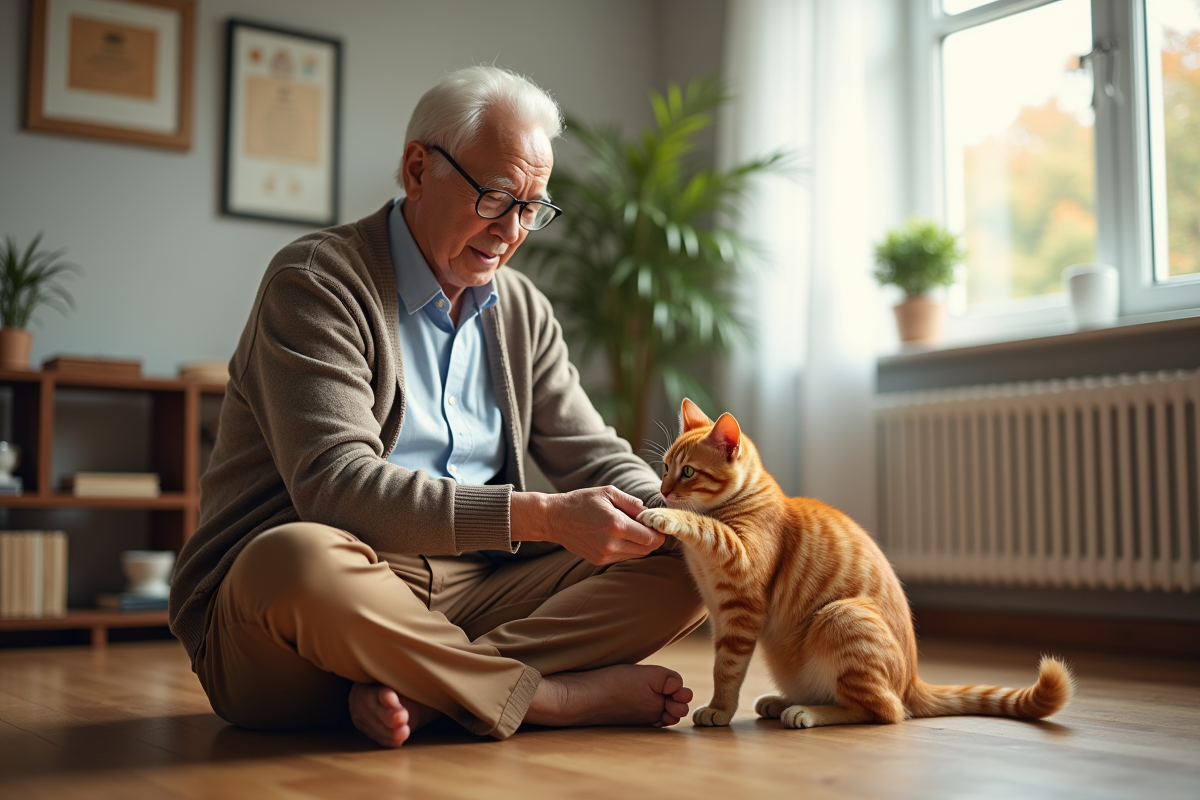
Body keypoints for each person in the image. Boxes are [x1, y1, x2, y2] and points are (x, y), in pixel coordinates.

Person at [169, 65, 706, 747]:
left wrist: (664, 512)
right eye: (496, 197)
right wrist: (541, 516)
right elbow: (337, 489)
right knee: (297, 558)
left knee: (694, 555)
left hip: (475, 599)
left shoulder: (521, 311)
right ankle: (549, 697)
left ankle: (434, 692)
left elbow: (591, 450)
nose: (513, 231)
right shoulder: (317, 283)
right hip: (315, 614)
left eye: (532, 208)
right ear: (417, 170)